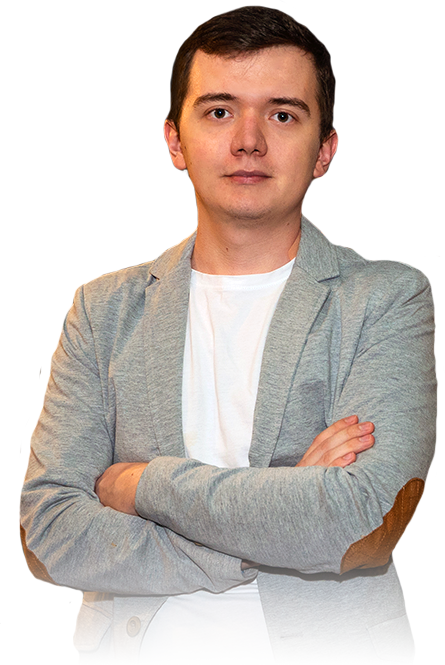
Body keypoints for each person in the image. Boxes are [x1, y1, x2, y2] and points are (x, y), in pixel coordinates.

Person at [20, 6, 436, 665]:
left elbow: (359, 523)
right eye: (218, 111)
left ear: (324, 149)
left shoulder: (386, 300)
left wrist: (141, 485)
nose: (248, 140)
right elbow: (53, 535)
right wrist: (269, 524)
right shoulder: (104, 311)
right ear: (175, 140)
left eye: (282, 114)